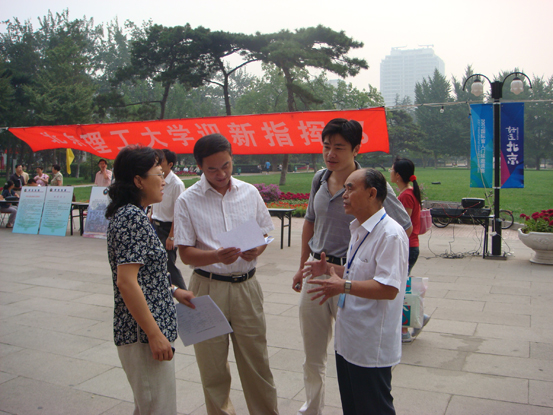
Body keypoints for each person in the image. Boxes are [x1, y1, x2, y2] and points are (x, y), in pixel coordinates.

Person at [291, 118, 411, 415]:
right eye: (326, 147)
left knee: (360, 355)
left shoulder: (371, 183)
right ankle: (313, 407)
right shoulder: (320, 179)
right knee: (320, 351)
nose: (330, 154)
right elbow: (309, 222)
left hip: (351, 275)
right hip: (320, 270)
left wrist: (377, 258)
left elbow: (402, 225)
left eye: (339, 147)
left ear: (356, 149)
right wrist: (303, 265)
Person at [174, 134, 279, 415]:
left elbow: (264, 234)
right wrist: (215, 256)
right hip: (206, 288)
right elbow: (185, 253)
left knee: (257, 362)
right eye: (212, 169)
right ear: (199, 166)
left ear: (232, 159)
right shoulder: (187, 200)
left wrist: (257, 249)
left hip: (246, 287)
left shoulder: (249, 192)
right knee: (212, 368)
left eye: (226, 166)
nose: (221, 174)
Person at [105, 145, 195, 415]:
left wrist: (174, 290)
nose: (164, 180)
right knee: (158, 408)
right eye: (158, 174)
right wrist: (154, 335)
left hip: (149, 330)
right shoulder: (131, 217)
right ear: (138, 181)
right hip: (143, 335)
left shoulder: (136, 214)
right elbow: (126, 282)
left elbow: (146, 276)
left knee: (149, 406)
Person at [390, 157, 430, 342]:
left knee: (399, 289)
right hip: (411, 245)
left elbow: (403, 224)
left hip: (407, 246)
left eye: (392, 169)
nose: (390, 172)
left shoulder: (406, 195)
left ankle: (404, 331)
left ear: (398, 175)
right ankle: (419, 317)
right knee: (401, 286)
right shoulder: (410, 192)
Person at [151, 149, 186, 290]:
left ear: (170, 164)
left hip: (168, 229)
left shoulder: (176, 184)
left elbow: (178, 212)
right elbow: (154, 202)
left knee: (169, 264)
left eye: (161, 161)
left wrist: (171, 236)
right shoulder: (156, 179)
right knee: (155, 262)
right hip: (155, 225)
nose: (158, 164)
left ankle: (183, 293)